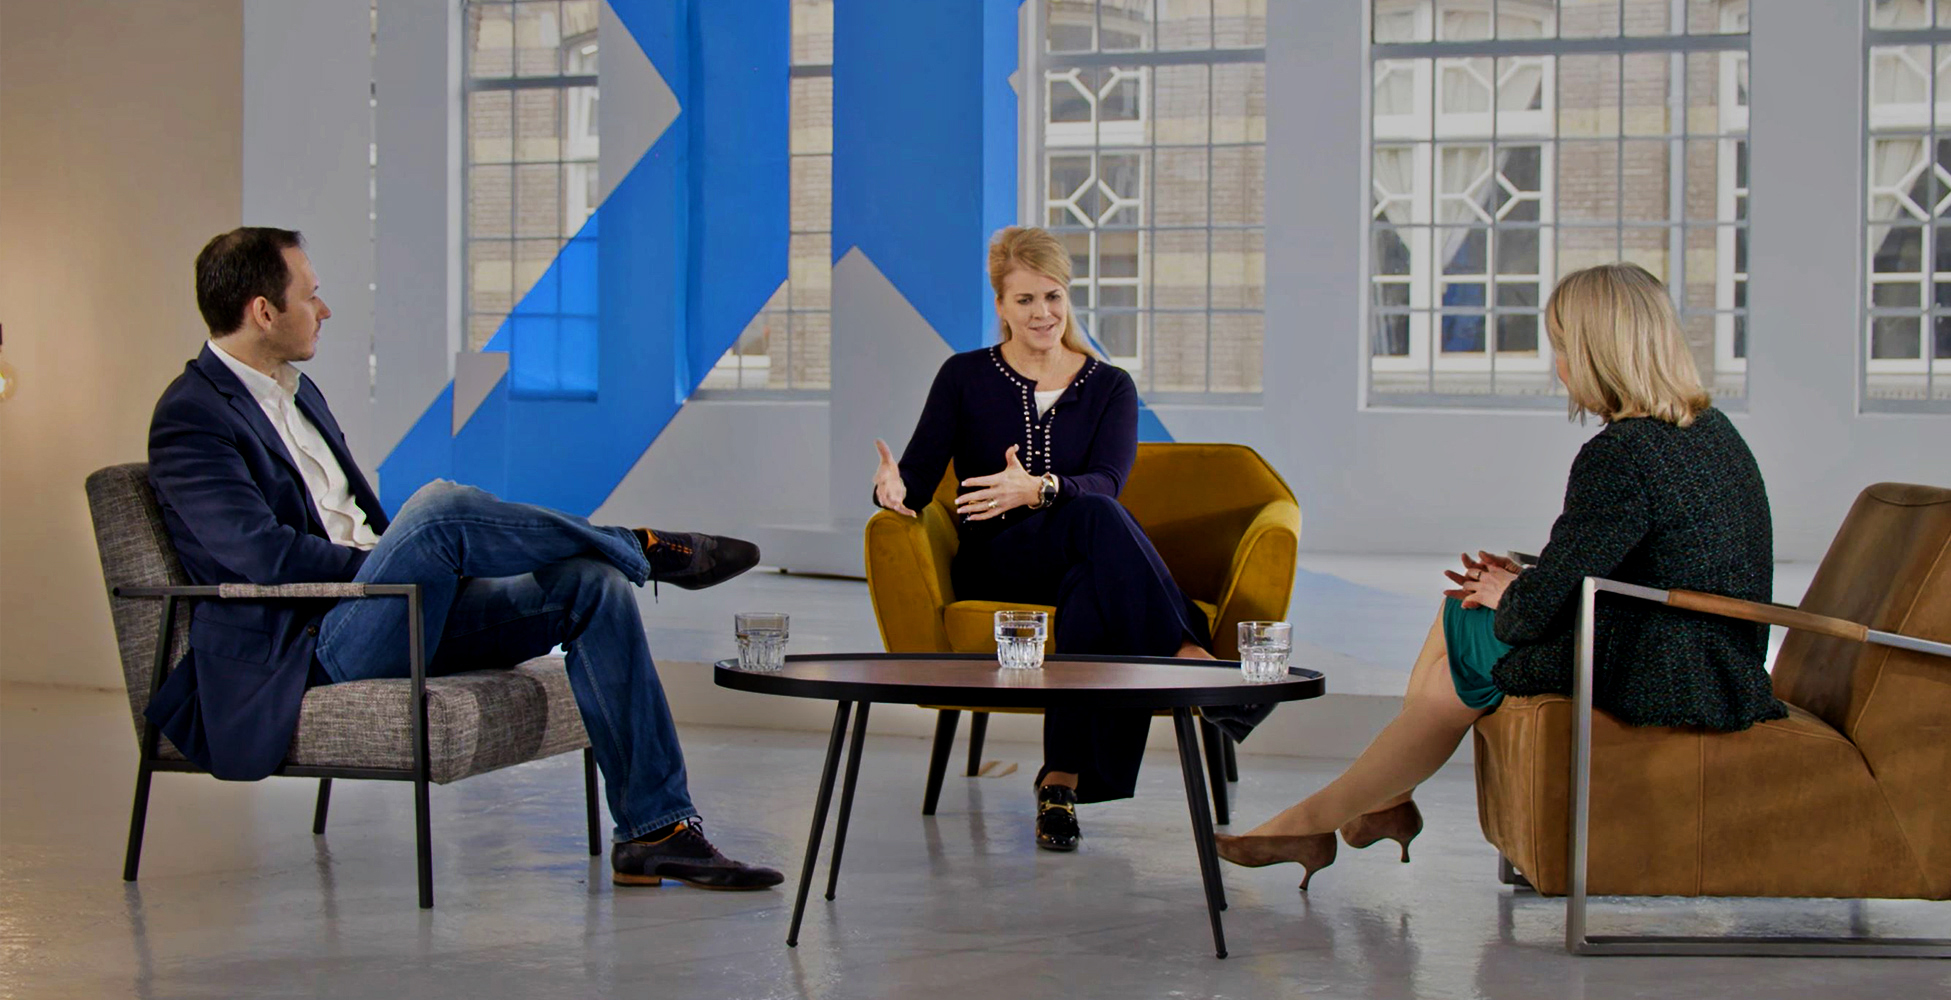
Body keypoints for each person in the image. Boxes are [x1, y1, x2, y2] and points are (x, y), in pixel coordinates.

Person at [146, 226, 783, 891]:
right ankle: (643, 547)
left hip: (389, 611)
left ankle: (657, 831)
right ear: (262, 311)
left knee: (591, 584)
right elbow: (263, 558)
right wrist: (387, 565)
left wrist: (405, 566)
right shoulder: (191, 415)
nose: (324, 310)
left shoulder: (300, 393)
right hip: (309, 640)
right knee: (438, 509)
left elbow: (355, 521)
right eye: (312, 296)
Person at [1216, 262, 1787, 889]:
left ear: (1596, 353)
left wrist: (1513, 590)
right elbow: (1624, 559)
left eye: (1563, 348)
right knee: (1464, 609)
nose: (1559, 366)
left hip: (1665, 666)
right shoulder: (1707, 430)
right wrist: (1519, 578)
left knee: (1467, 634)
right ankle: (1372, 803)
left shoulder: (1621, 453)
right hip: (1710, 654)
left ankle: (1324, 817)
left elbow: (1533, 614)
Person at [870, 225, 1221, 852]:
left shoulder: (1110, 386)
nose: (1043, 313)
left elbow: (1108, 480)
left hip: (1078, 555)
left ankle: (1060, 784)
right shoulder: (963, 376)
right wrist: (892, 491)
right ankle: (1189, 652)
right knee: (1100, 522)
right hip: (997, 559)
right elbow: (919, 479)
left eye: (1053, 297)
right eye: (1026, 300)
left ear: (1069, 299)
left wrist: (1040, 489)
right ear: (1001, 307)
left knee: (1093, 580)